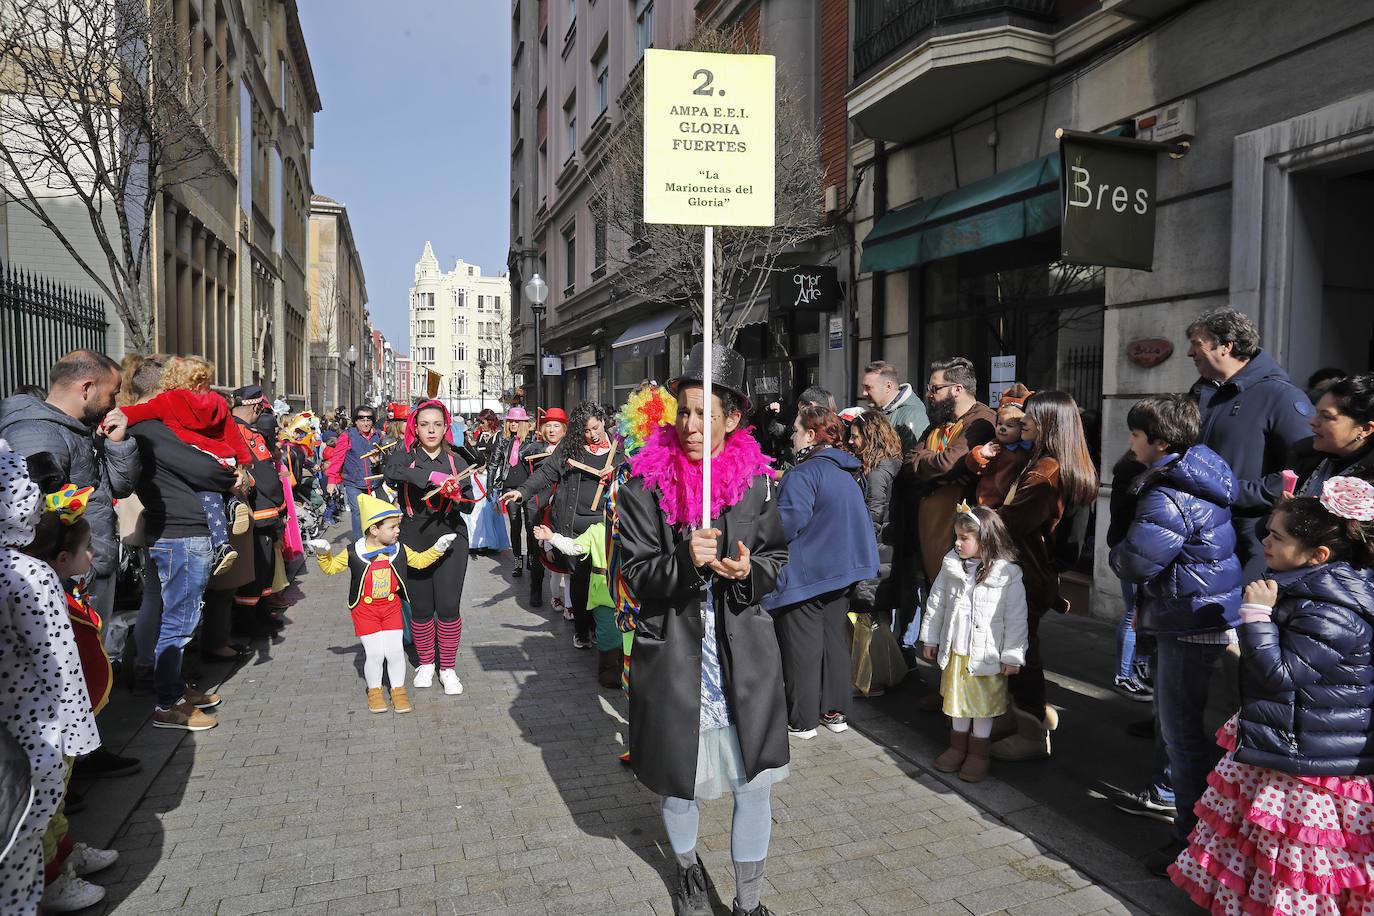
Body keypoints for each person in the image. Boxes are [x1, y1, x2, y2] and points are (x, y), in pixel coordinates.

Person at [611, 341, 789, 916]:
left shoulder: (758, 483)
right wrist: (686, 560)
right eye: (682, 411)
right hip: (676, 656)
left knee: (753, 781)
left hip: (744, 657)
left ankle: (749, 900)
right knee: (678, 778)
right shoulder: (644, 487)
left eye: (703, 415)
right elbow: (635, 575)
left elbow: (778, 564)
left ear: (732, 418)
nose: (689, 425)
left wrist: (748, 572)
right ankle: (687, 872)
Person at [1169, 478, 1374, 911]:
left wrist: (1257, 616)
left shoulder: (1332, 610)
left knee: (1297, 862)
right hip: (1289, 742)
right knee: (1261, 852)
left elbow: (1278, 675)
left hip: (1309, 765)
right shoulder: (1308, 587)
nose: (1264, 540)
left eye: (1276, 536)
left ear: (1318, 555)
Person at [1107, 395, 1242, 873]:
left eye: (1136, 435)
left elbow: (1136, 560)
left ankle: (1192, 841)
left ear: (1160, 441)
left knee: (1181, 735)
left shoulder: (1168, 493)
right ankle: (1193, 827)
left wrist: (1119, 551)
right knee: (1177, 729)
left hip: (1186, 622)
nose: (1130, 442)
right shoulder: (1197, 473)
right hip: (1193, 614)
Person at [0, 441, 101, 915]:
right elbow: (60, 666)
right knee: (26, 835)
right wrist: (79, 736)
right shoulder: (28, 575)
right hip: (35, 732)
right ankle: (48, 885)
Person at [24, 486, 120, 911]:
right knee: (42, 806)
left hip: (62, 715)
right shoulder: (36, 592)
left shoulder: (57, 586)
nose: (93, 556)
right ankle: (49, 881)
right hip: (43, 721)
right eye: (87, 549)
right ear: (61, 559)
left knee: (57, 799)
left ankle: (63, 855)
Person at [991, 390, 1098, 761]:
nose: (1023, 422)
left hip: (1027, 573)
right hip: (1036, 572)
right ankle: (1020, 717)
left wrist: (976, 519)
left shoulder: (1047, 470)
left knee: (1020, 654)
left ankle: (1031, 731)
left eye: (1031, 417)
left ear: (1050, 423)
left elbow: (1014, 520)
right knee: (1021, 649)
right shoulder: (1060, 461)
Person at [0, 350, 140, 627]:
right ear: (87, 388)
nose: (114, 403)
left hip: (88, 565)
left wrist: (117, 444)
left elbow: (120, 487)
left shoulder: (77, 429)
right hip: (74, 576)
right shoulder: (37, 432)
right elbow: (33, 524)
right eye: (112, 393)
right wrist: (77, 575)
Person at [763, 405, 877, 739]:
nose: (792, 437)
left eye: (796, 431)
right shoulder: (846, 471)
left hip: (806, 574)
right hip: (841, 573)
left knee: (803, 648)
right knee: (834, 643)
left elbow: (787, 523)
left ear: (811, 435)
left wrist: (757, 528)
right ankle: (835, 713)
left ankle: (802, 721)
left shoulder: (804, 474)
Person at [130, 383, 239, 731]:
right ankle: (167, 704)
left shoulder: (155, 429)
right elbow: (210, 470)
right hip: (180, 534)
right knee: (179, 621)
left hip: (178, 532)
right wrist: (227, 471)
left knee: (180, 617)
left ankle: (174, 689)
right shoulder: (152, 430)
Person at [1186, 308, 1313, 582]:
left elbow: (1304, 469)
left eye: (1197, 344)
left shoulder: (1281, 396)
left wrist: (1236, 493)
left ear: (1226, 347)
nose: (1190, 353)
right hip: (1201, 532)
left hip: (1249, 538)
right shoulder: (1204, 392)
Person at [308, 494, 457, 714]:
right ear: (374, 530)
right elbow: (330, 568)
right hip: (365, 610)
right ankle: (375, 691)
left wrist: (438, 547)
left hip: (391, 608)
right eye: (392, 527)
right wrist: (323, 554)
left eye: (398, 526)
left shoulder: (399, 549)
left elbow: (420, 561)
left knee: (395, 652)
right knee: (375, 654)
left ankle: (398, 690)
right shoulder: (354, 552)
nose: (398, 531)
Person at [918, 505, 1028, 783]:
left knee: (983, 706)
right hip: (957, 650)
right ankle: (957, 747)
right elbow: (936, 604)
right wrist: (930, 638)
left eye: (965, 537)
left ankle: (979, 752)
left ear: (987, 539)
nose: (957, 542)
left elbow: (1017, 618)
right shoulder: (951, 566)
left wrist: (1012, 655)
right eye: (957, 536)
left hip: (986, 655)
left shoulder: (1007, 574)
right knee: (957, 701)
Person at [505, 402, 625, 649]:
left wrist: (617, 472)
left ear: (604, 421)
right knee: (580, 582)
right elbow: (546, 474)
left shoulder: (619, 448)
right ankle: (582, 630)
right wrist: (522, 492)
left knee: (603, 581)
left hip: (605, 526)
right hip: (573, 526)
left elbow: (632, 478)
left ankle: (598, 627)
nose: (592, 435)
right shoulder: (569, 448)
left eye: (596, 428)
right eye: (586, 430)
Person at [119, 355, 252, 574]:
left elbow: (137, 412)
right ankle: (232, 504)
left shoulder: (168, 401)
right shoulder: (219, 403)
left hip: (196, 455)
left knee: (205, 493)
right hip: (223, 457)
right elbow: (233, 434)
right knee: (215, 487)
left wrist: (113, 416)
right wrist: (242, 463)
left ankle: (222, 544)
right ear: (202, 383)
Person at [384, 400, 473, 696]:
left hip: (451, 538)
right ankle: (426, 663)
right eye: (424, 424)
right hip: (413, 537)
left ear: (446, 428)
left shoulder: (457, 460)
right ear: (415, 428)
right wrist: (430, 477)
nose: (431, 430)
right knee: (421, 607)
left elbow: (471, 505)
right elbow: (391, 473)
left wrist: (457, 492)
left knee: (448, 606)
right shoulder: (404, 456)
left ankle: (447, 667)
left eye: (437, 424)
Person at [533, 520, 621, 686]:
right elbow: (573, 547)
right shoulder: (597, 530)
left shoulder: (635, 526)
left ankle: (628, 673)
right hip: (603, 594)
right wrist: (551, 537)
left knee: (628, 637)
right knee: (608, 635)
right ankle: (609, 674)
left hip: (629, 594)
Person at [229, 386, 287, 636]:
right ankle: (250, 623)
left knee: (261, 568)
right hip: (259, 512)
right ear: (255, 407)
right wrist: (280, 502)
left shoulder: (232, 427)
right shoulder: (247, 432)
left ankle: (260, 614)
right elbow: (266, 474)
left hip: (249, 510)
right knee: (258, 569)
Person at [848, 410, 903, 629]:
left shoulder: (878, 473)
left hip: (875, 556)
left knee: (872, 625)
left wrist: (854, 550)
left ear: (870, 437)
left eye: (856, 436)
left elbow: (873, 517)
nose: (851, 441)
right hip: (886, 553)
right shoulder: (893, 465)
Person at [1105, 449, 1153, 701]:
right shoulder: (1135, 476)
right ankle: (1124, 675)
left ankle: (1136, 669)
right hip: (1134, 553)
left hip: (1131, 551)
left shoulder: (1128, 472)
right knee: (1134, 614)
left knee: (1138, 613)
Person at [1289, 372, 1374, 497]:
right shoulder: (1307, 457)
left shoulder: (1368, 483)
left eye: (1326, 416)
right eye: (1317, 412)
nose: (1312, 422)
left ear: (1365, 429)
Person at [965, 384, 1035, 508]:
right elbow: (974, 466)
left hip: (1017, 503)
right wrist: (981, 454)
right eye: (1000, 423)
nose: (1002, 428)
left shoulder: (1031, 447)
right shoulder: (995, 447)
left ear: (1022, 427)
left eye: (1010, 426)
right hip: (991, 504)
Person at [326, 405, 383, 543]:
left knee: (375, 515)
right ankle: (359, 544)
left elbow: (385, 460)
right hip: (353, 482)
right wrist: (332, 481)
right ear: (355, 421)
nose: (365, 422)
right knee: (357, 512)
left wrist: (377, 462)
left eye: (369, 419)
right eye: (361, 418)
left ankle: (375, 541)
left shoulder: (379, 435)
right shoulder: (347, 436)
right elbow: (337, 459)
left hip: (375, 482)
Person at [861, 361, 928, 451]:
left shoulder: (913, 415)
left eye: (868, 387)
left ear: (888, 387)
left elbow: (913, 457)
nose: (864, 393)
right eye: (863, 388)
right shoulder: (880, 411)